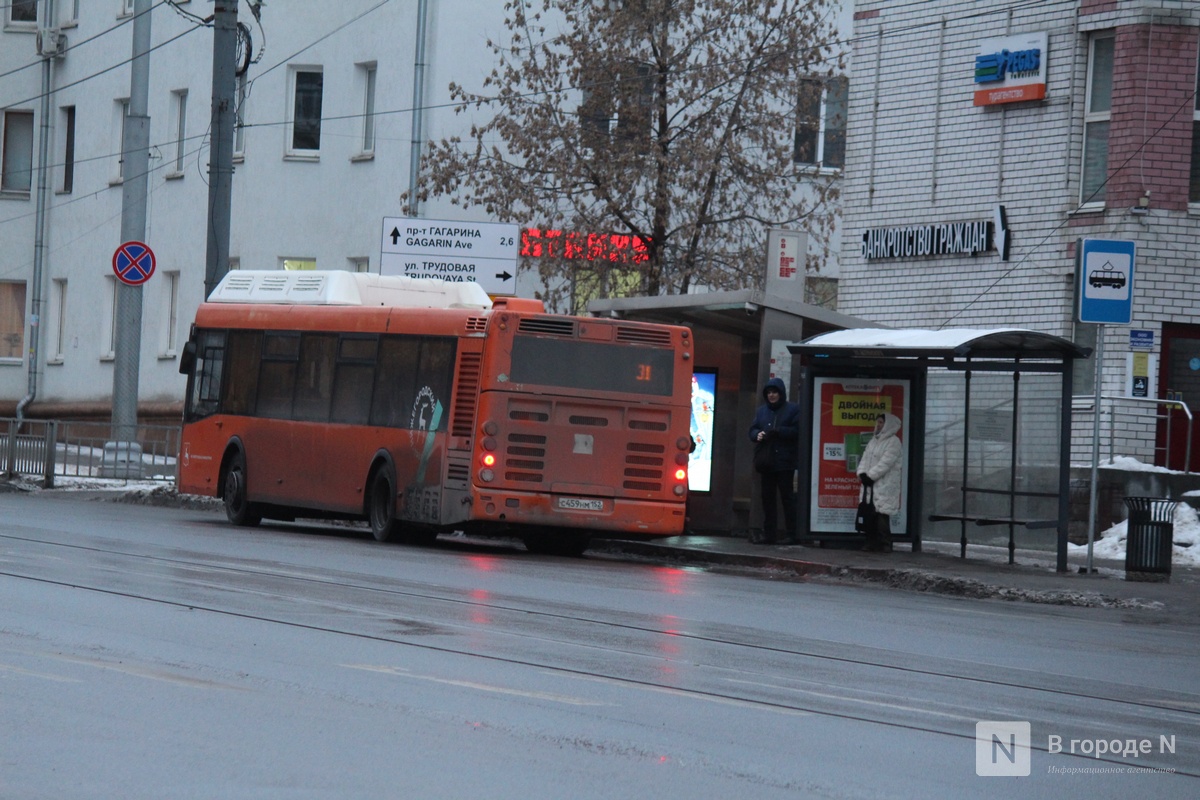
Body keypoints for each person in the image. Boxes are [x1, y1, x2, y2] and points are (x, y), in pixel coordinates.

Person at [748, 377, 800, 544]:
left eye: (774, 392)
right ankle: (770, 533)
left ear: (781, 393)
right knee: (767, 499)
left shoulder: (792, 409)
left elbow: (797, 431)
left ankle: (792, 534)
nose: (771, 395)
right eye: (769, 392)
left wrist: (778, 431)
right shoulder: (762, 411)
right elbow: (752, 430)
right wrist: (758, 435)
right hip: (767, 462)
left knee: (787, 498)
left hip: (785, 462)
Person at [856, 413, 903, 552]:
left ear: (888, 424)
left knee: (882, 514)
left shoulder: (894, 442)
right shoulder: (873, 441)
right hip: (870, 484)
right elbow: (864, 458)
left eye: (881, 422)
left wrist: (870, 476)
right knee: (870, 513)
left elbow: (886, 463)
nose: (878, 425)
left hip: (884, 484)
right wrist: (862, 473)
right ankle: (870, 541)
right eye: (877, 422)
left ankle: (885, 543)